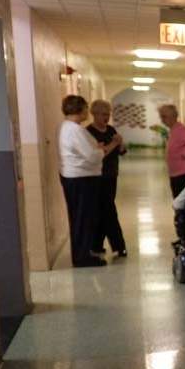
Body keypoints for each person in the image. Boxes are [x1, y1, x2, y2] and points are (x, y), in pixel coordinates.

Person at [58, 95, 120, 268]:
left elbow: (90, 150)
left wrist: (98, 149)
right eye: (86, 108)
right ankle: (82, 257)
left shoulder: (72, 128)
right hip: (80, 179)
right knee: (82, 218)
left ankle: (84, 252)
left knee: (82, 217)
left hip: (79, 177)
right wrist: (103, 149)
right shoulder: (74, 130)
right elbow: (92, 156)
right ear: (80, 109)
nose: (88, 111)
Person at [87, 99, 127, 257]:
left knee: (103, 210)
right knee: (108, 211)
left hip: (111, 176)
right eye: (103, 114)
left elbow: (121, 151)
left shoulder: (110, 130)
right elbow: (97, 156)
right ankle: (119, 245)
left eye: (108, 114)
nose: (106, 117)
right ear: (94, 114)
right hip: (97, 177)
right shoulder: (89, 133)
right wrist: (113, 144)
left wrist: (121, 143)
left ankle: (96, 245)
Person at [159, 104, 185, 197]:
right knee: (178, 201)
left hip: (184, 174)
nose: (162, 120)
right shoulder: (173, 130)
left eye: (164, 117)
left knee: (182, 203)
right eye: (161, 117)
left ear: (173, 117)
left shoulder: (180, 129)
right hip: (176, 174)